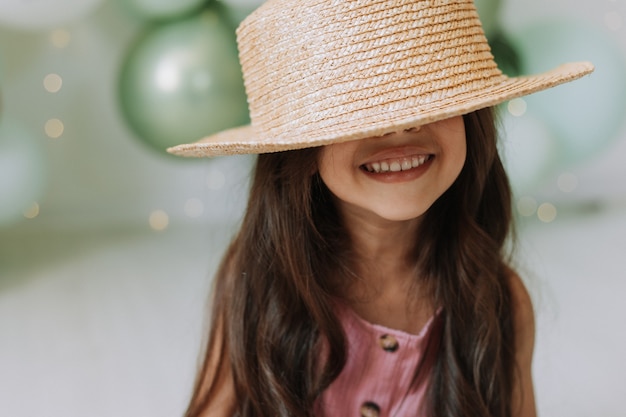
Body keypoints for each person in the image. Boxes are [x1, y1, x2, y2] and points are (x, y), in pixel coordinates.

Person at [168, 0, 593, 416]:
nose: (400, 125)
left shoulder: (499, 302)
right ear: (298, 152)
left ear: (471, 116)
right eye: (358, 109)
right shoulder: (263, 283)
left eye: (430, 93)